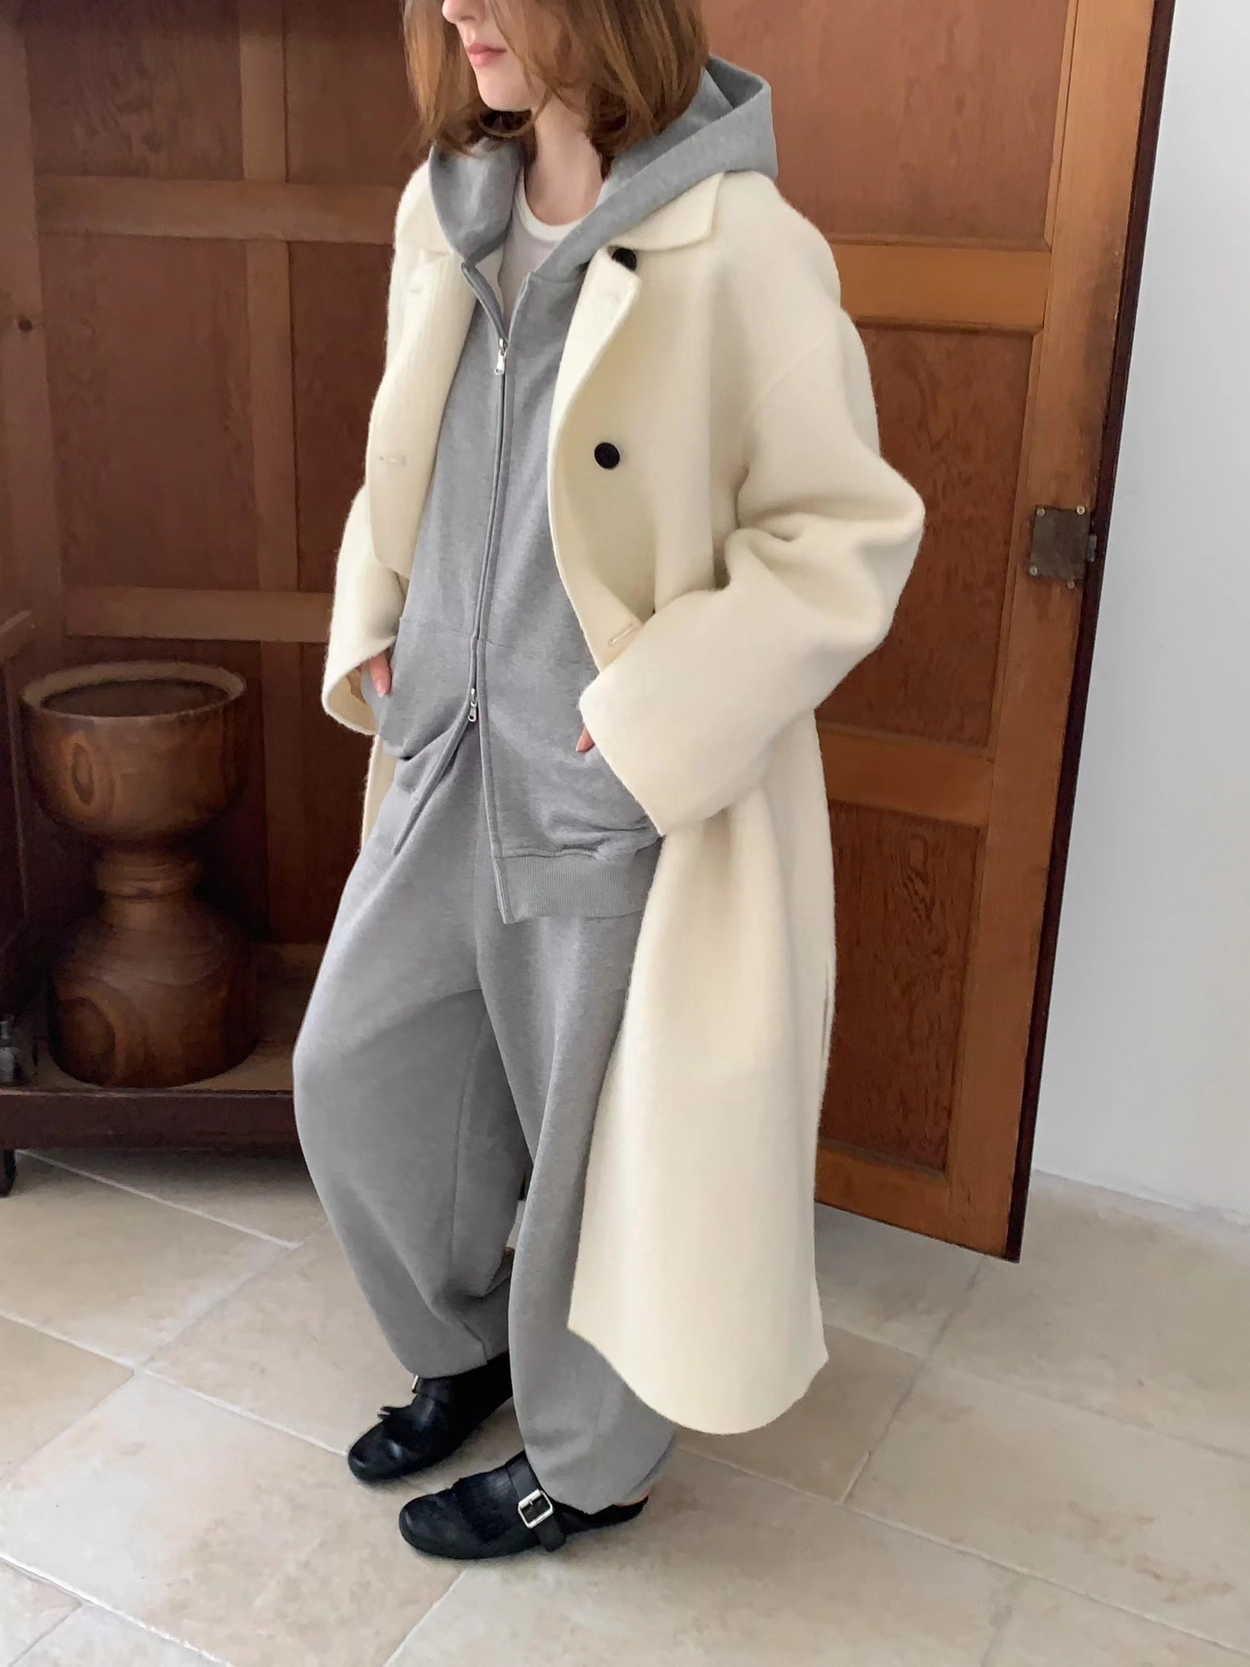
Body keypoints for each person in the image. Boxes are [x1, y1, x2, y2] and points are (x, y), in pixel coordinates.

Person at [293, 0, 925, 1564]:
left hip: (614, 785)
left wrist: (649, 722)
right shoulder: (447, 205)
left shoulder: (744, 243)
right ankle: (463, 1345)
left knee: (603, 1149)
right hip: (444, 748)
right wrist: (376, 625)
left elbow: (844, 534)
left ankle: (587, 1466)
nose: (457, 9)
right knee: (359, 1069)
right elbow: (401, 452)